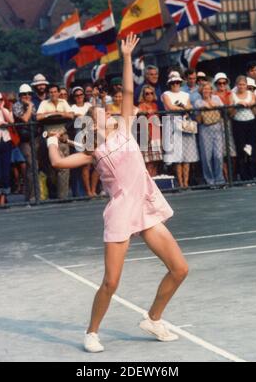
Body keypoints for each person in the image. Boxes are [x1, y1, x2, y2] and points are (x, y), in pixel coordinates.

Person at [46, 34, 188, 352]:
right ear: (91, 126)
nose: (106, 113)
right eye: (100, 114)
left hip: (145, 205)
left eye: (107, 112)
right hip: (122, 210)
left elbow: (126, 90)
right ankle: (92, 332)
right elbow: (57, 162)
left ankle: (153, 318)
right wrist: (52, 138)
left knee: (180, 269)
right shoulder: (92, 152)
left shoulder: (124, 125)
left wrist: (126, 57)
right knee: (111, 281)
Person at [162, 72, 199, 189]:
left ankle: (186, 183)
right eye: (173, 82)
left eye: (177, 82)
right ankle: (180, 182)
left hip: (184, 123)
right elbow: (170, 107)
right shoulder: (166, 94)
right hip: (172, 124)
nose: (175, 84)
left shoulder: (185, 94)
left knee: (187, 156)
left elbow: (190, 107)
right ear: (170, 84)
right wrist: (184, 108)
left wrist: (183, 108)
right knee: (177, 156)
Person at [37, 84, 74, 199]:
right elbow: (38, 117)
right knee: (52, 167)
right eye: (51, 92)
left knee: (65, 166)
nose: (53, 94)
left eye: (55, 92)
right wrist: (53, 114)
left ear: (58, 93)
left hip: (63, 136)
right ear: (48, 93)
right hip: (50, 136)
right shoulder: (44, 103)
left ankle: (63, 196)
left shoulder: (63, 102)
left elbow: (71, 115)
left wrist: (60, 113)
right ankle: (54, 192)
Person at [13, 84, 39, 201]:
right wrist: (29, 107)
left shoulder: (32, 105)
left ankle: (35, 194)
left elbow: (37, 118)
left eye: (29, 94)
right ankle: (31, 196)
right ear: (19, 95)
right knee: (30, 165)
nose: (27, 96)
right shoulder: (16, 106)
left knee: (35, 166)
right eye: (24, 94)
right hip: (24, 140)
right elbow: (25, 119)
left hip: (35, 138)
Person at [195, 83, 225, 186]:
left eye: (208, 89)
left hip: (217, 127)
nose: (206, 91)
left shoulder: (216, 98)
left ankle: (219, 179)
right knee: (206, 156)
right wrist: (210, 105)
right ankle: (210, 181)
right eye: (204, 89)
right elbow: (203, 106)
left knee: (218, 155)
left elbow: (221, 106)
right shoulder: (198, 101)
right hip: (205, 128)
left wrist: (211, 105)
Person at [71, 86, 98, 197]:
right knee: (86, 165)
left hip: (93, 135)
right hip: (81, 137)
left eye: (81, 95)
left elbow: (94, 113)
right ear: (74, 97)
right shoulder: (72, 107)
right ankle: (88, 191)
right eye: (76, 95)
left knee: (97, 164)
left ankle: (94, 189)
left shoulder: (88, 105)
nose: (79, 97)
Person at [230, 76, 256, 182]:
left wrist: (251, 104)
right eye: (239, 84)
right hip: (238, 123)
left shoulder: (251, 94)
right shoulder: (233, 95)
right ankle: (244, 176)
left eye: (243, 84)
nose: (241, 86)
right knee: (241, 149)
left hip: (250, 122)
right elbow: (230, 113)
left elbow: (255, 108)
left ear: (246, 85)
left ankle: (252, 175)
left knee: (251, 149)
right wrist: (237, 106)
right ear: (236, 85)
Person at [138, 85, 163, 177]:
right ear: (143, 95)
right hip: (148, 135)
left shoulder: (155, 105)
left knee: (156, 161)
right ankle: (149, 181)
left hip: (156, 134)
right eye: (147, 93)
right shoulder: (141, 106)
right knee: (149, 162)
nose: (149, 95)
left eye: (151, 93)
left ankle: (155, 181)